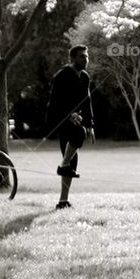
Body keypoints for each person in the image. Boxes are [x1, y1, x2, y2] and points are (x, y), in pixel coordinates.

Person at [46, 45, 95, 209]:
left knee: (72, 163)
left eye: (86, 56)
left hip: (75, 120)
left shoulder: (85, 77)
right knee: (79, 134)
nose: (85, 59)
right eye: (82, 56)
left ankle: (62, 201)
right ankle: (63, 165)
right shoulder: (62, 76)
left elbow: (86, 101)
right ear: (72, 58)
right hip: (59, 119)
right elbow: (54, 103)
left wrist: (91, 125)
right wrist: (69, 115)